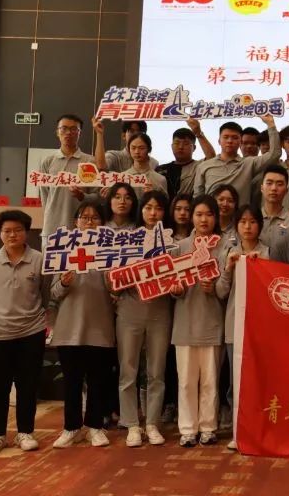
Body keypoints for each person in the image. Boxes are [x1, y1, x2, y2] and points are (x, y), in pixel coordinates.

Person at [0, 210, 49, 456]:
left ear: (27, 232)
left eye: (18, 230)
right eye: (7, 231)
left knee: (28, 385)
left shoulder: (39, 260)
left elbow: (45, 295)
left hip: (31, 332)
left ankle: (25, 432)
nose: (12, 235)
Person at [49, 201, 114, 449]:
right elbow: (53, 293)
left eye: (95, 218)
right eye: (84, 217)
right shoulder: (62, 250)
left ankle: (95, 427)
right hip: (69, 328)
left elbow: (117, 289)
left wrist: (112, 282)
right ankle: (71, 428)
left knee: (98, 381)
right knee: (72, 382)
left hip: (100, 326)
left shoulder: (111, 251)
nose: (89, 222)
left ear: (103, 223)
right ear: (75, 221)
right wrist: (64, 283)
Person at [114, 191, 173, 448]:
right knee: (128, 371)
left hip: (160, 311)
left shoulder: (172, 241)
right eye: (148, 207)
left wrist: (174, 285)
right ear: (141, 210)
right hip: (130, 310)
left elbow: (177, 279)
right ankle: (131, 424)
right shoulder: (127, 240)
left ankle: (152, 423)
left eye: (158, 208)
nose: (153, 213)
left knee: (156, 371)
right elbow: (113, 281)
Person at [170, 195, 227, 448]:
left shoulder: (225, 247)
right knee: (185, 381)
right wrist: (176, 290)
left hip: (212, 323)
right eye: (199, 214)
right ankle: (187, 429)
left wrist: (214, 288)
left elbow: (227, 287)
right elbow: (169, 284)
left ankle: (208, 427)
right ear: (191, 217)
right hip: (185, 323)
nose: (204, 219)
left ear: (216, 217)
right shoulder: (180, 247)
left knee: (210, 381)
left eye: (209, 214)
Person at [217, 204, 270, 450]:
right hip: (234, 325)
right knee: (235, 381)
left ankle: (259, 428)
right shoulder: (229, 252)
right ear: (236, 225)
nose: (248, 227)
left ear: (260, 225)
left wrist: (263, 268)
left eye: (253, 221)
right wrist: (228, 268)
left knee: (259, 379)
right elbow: (220, 291)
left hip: (261, 327)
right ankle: (238, 430)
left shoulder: (268, 253)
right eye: (243, 222)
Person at [193, 115, 280, 206]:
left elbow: (274, 154)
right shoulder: (204, 166)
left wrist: (271, 124)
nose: (230, 141)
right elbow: (197, 198)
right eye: (226, 137)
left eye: (235, 138)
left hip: (239, 215)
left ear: (240, 142)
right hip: (212, 214)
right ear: (219, 141)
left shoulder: (249, 163)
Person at [38, 113, 95, 239]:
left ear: (79, 133)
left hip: (82, 230)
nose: (68, 133)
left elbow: (98, 197)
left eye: (74, 129)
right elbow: (45, 196)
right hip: (52, 230)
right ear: (57, 132)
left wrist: (83, 196)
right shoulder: (48, 161)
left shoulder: (90, 161)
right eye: (64, 128)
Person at [94, 127, 168, 196]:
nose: (137, 152)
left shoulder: (160, 179)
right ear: (129, 149)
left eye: (141, 148)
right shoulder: (121, 178)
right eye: (133, 148)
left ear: (149, 149)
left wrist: (154, 195)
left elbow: (165, 202)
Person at [156, 121, 216, 197]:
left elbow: (211, 157)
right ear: (171, 146)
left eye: (186, 144)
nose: (180, 147)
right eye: (177, 143)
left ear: (194, 148)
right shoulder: (160, 169)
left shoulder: (199, 167)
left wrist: (199, 134)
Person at [259, 165, 289, 248]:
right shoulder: (252, 220)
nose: (274, 188)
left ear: (286, 190)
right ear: (262, 188)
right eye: (269, 183)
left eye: (279, 184)